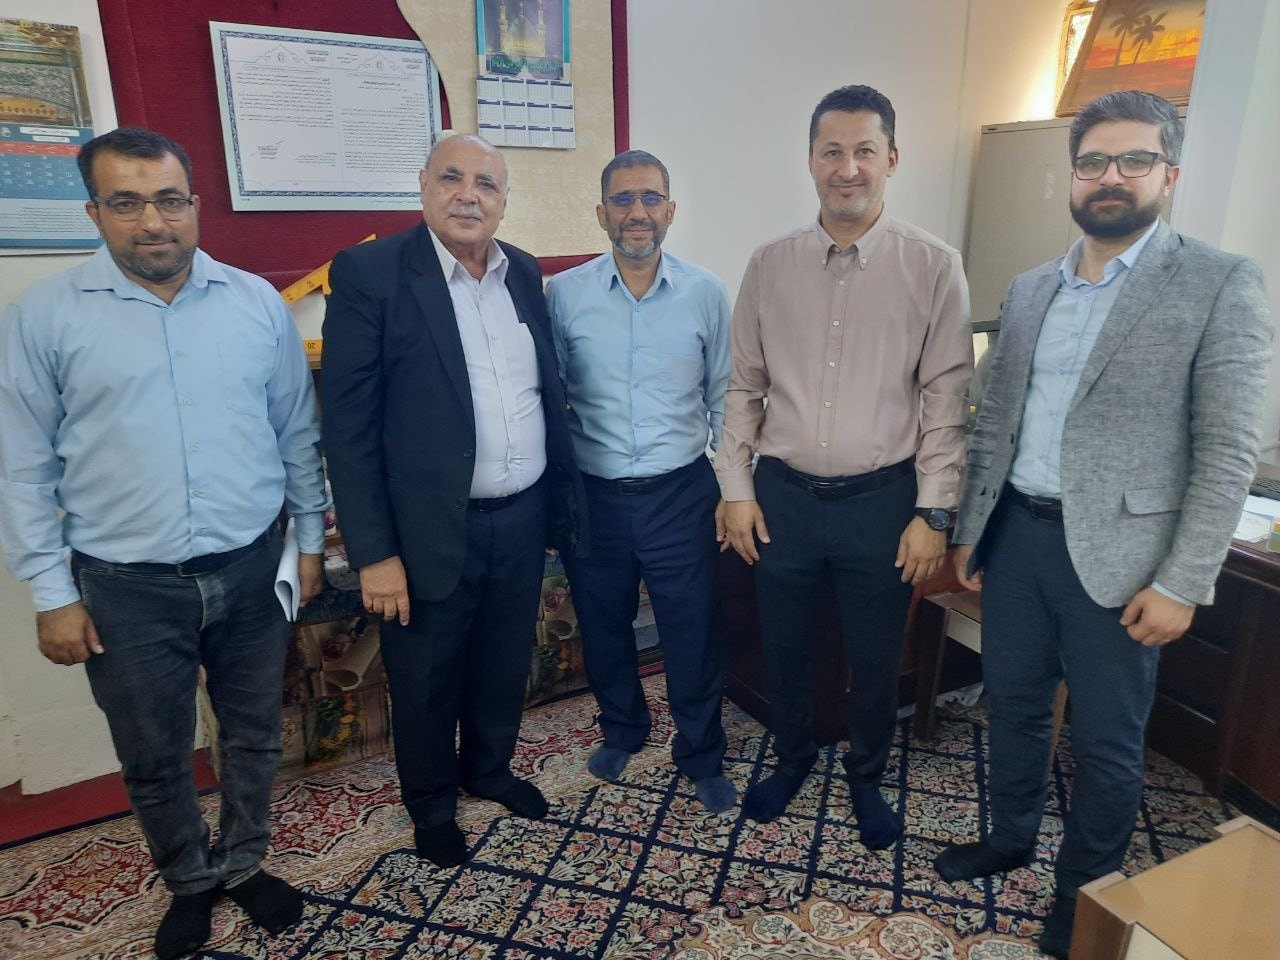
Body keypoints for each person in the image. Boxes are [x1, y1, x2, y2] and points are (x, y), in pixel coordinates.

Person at [933, 91, 1271, 959]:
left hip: (1125, 562)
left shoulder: (1218, 281)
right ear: (1072, 175)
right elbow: (997, 419)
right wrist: (971, 530)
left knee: (1107, 742)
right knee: (1012, 707)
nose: (1110, 177)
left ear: (1169, 174)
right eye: (1092, 162)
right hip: (1017, 541)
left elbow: (1228, 450)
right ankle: (1009, 836)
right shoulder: (1031, 286)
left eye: (1134, 160)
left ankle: (1082, 898)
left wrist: (1183, 581)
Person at [0, 127, 328, 959]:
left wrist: (310, 542)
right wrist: (52, 594)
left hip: (250, 570)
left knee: (254, 734)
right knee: (152, 752)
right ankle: (187, 878)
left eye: (169, 199)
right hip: (124, 587)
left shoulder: (255, 303)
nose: (153, 221)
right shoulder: (43, 316)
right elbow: (22, 466)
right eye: (127, 202)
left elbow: (296, 433)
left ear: (194, 205)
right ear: (94, 212)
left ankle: (244, 861)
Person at [321, 133, 586, 869]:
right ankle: (433, 804)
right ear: (423, 186)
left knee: (504, 660)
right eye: (452, 178)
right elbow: (348, 427)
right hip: (427, 529)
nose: (469, 195)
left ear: (503, 200)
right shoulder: (371, 272)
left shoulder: (523, 271)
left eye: (486, 184)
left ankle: (490, 770)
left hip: (521, 515)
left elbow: (542, 391)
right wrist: (374, 554)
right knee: (428, 678)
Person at [716, 85, 972, 845]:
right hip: (783, 498)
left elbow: (947, 401)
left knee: (874, 654)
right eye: (833, 151)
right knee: (785, 646)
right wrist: (735, 489)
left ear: (892, 159)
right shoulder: (770, 264)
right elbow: (743, 388)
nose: (848, 167)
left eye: (864, 151)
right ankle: (793, 757)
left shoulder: (934, 266)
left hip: (883, 502)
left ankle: (866, 775)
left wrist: (933, 512)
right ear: (811, 161)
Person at [546, 150, 735, 812]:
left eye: (651, 198)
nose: (637, 212)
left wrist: (733, 491)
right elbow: (553, 395)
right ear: (601, 213)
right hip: (595, 497)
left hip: (681, 493)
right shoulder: (564, 294)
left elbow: (725, 396)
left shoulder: (705, 293)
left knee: (691, 631)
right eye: (623, 199)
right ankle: (624, 729)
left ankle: (701, 753)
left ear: (671, 210)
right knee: (604, 627)